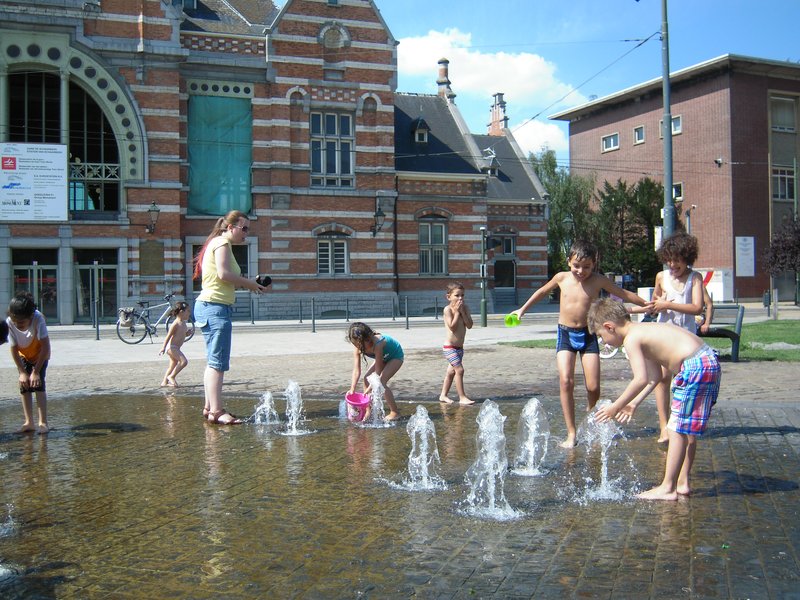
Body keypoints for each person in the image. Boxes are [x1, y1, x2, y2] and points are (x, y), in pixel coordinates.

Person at [510, 240, 651, 448]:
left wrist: (646, 304)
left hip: (588, 334)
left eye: (587, 267)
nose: (581, 271)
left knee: (593, 387)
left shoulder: (598, 280)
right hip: (565, 334)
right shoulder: (561, 277)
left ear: (594, 265)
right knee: (566, 381)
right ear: (569, 262)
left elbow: (623, 294)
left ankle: (592, 419)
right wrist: (522, 310)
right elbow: (541, 292)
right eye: (576, 266)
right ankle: (571, 433)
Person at [589, 297, 721, 500]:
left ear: (609, 327)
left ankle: (668, 488)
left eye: (601, 336)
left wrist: (615, 406)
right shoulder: (642, 331)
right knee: (686, 428)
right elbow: (654, 378)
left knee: (676, 429)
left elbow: (640, 379)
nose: (603, 342)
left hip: (694, 367)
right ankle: (682, 482)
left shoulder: (631, 339)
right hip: (706, 361)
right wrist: (633, 403)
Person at [193, 210, 268, 424]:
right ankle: (217, 412)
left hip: (209, 306)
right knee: (218, 362)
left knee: (213, 360)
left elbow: (224, 277)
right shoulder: (221, 243)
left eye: (248, 229)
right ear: (230, 227)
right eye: (244, 228)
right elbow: (224, 274)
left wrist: (249, 283)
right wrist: (250, 284)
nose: (246, 233)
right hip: (215, 307)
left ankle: (209, 407)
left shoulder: (217, 243)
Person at [649, 232, 706, 443]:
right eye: (669, 260)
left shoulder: (695, 278)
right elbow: (654, 305)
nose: (672, 265)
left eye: (677, 260)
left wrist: (667, 304)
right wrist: (658, 305)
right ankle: (664, 427)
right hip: (664, 336)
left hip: (686, 339)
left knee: (684, 382)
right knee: (663, 379)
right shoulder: (661, 277)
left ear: (687, 258)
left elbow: (697, 307)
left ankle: (681, 422)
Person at [6, 291, 51, 434]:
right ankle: (29, 422)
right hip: (23, 354)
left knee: (38, 385)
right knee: (24, 385)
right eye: (15, 322)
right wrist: (22, 372)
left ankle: (43, 422)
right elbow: (13, 348)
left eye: (21, 322)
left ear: (30, 316)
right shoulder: (10, 322)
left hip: (40, 354)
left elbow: (46, 347)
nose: (17, 325)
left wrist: (36, 372)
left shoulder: (38, 319)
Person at [346, 322, 402, 421]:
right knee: (366, 379)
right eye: (356, 344)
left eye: (361, 344)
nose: (359, 347)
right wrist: (352, 388)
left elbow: (378, 369)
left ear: (368, 338)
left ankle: (395, 412)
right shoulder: (357, 346)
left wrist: (372, 385)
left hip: (395, 356)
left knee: (381, 382)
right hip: (383, 358)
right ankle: (369, 410)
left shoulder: (378, 343)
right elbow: (356, 370)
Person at [439, 282, 475, 405]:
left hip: (459, 348)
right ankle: (462, 397)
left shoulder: (465, 308)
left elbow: (469, 325)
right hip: (449, 347)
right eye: (457, 295)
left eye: (462, 295)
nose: (460, 298)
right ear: (448, 297)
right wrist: (457, 313)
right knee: (459, 370)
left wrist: (463, 312)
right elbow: (452, 327)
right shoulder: (448, 310)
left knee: (451, 372)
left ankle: (443, 395)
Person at [159, 301, 191, 388]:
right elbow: (168, 336)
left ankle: (164, 382)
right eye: (188, 311)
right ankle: (172, 376)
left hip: (176, 348)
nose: (189, 313)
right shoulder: (176, 324)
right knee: (184, 362)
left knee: (173, 365)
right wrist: (163, 347)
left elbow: (181, 335)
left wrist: (187, 334)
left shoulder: (183, 323)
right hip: (172, 347)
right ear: (181, 312)